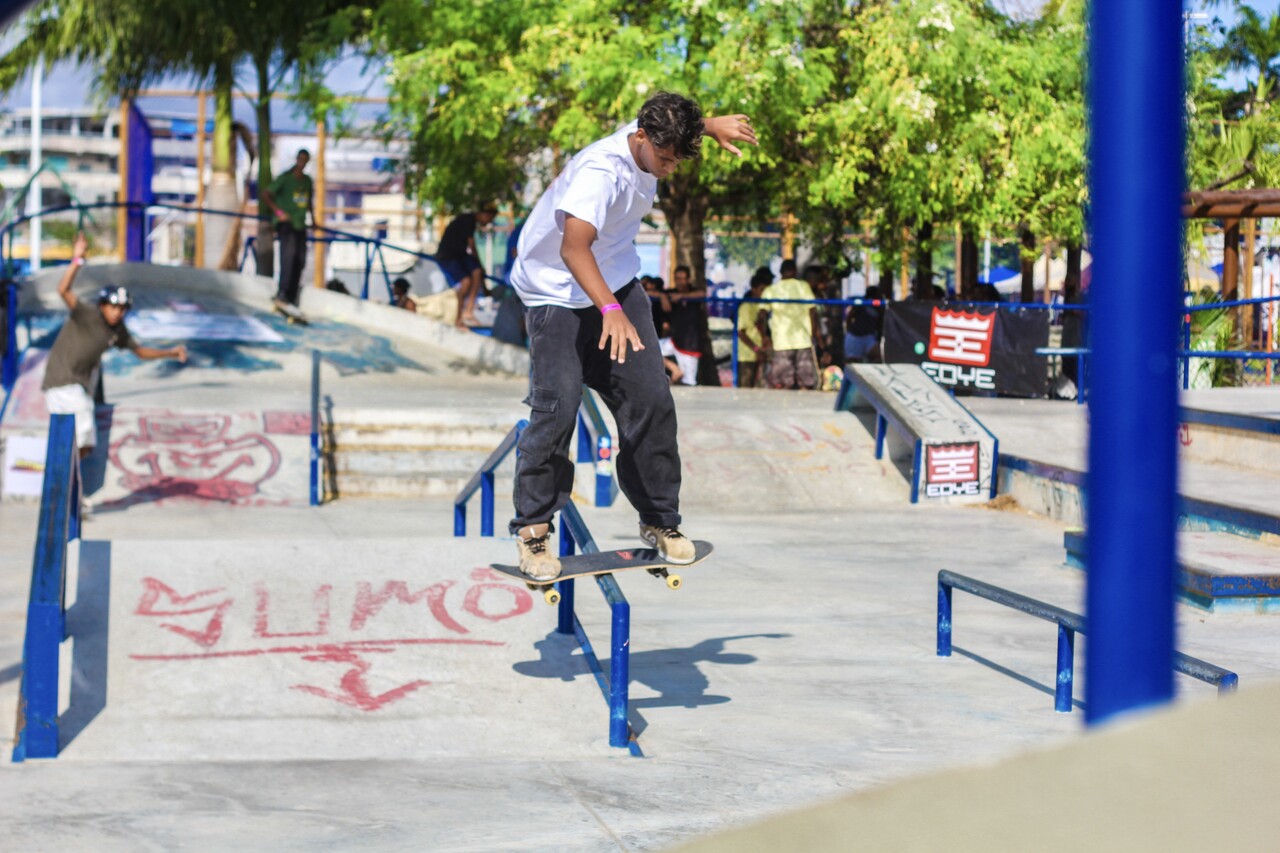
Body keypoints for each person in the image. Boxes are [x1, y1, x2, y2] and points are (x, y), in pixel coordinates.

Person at [506, 91, 756, 580]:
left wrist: (709, 125)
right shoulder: (599, 173)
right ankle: (533, 531)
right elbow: (574, 248)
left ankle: (660, 520)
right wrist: (611, 310)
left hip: (615, 281)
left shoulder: (654, 132)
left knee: (652, 400)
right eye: (665, 158)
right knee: (558, 407)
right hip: (555, 292)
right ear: (640, 138)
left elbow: (673, 121)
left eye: (678, 160)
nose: (669, 168)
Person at [41, 234, 188, 459]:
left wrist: (171, 353)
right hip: (62, 380)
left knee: (81, 440)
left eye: (122, 309)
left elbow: (140, 352)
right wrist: (77, 260)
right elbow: (63, 290)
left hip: (78, 386)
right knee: (83, 426)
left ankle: (68, 471)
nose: (117, 313)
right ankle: (64, 469)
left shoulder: (118, 330)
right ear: (102, 305)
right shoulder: (87, 313)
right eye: (113, 307)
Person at [261, 149, 315, 308]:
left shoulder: (307, 181)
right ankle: (282, 293)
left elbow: (309, 201)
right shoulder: (285, 178)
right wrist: (279, 213)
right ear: (296, 159)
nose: (302, 163)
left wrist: (314, 220)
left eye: (305, 160)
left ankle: (291, 296)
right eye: (300, 159)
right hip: (286, 224)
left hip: (300, 223)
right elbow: (266, 193)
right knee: (288, 257)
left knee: (300, 259)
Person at [759, 259, 821, 390]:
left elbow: (761, 315)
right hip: (803, 340)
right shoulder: (803, 287)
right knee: (806, 382)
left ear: (780, 272)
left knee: (783, 383)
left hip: (781, 341)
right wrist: (814, 333)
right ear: (795, 271)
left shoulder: (772, 290)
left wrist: (764, 336)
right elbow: (812, 311)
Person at [437, 204, 498, 328]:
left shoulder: (469, 220)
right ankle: (459, 316)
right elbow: (472, 245)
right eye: (490, 219)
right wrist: (480, 263)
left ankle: (468, 311)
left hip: (457, 255)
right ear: (485, 214)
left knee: (477, 272)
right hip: (449, 256)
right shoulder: (468, 220)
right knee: (466, 281)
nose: (489, 223)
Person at [667, 265, 705, 386]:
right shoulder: (671, 293)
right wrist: (663, 298)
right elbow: (655, 294)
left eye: (682, 279)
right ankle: (675, 369)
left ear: (688, 280)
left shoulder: (694, 293)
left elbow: (702, 294)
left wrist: (682, 296)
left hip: (690, 345)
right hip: (674, 340)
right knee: (650, 348)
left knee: (689, 383)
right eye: (677, 278)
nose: (680, 282)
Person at [736, 266, 772, 387]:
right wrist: (756, 349)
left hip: (760, 354)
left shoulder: (763, 307)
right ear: (754, 289)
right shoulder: (746, 307)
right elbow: (741, 332)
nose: (764, 293)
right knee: (745, 387)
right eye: (762, 290)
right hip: (747, 356)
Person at [845, 285, 884, 363]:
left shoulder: (879, 306)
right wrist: (849, 330)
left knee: (880, 356)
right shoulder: (862, 303)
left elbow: (880, 323)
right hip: (855, 337)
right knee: (852, 363)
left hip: (868, 337)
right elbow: (850, 316)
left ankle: (869, 366)